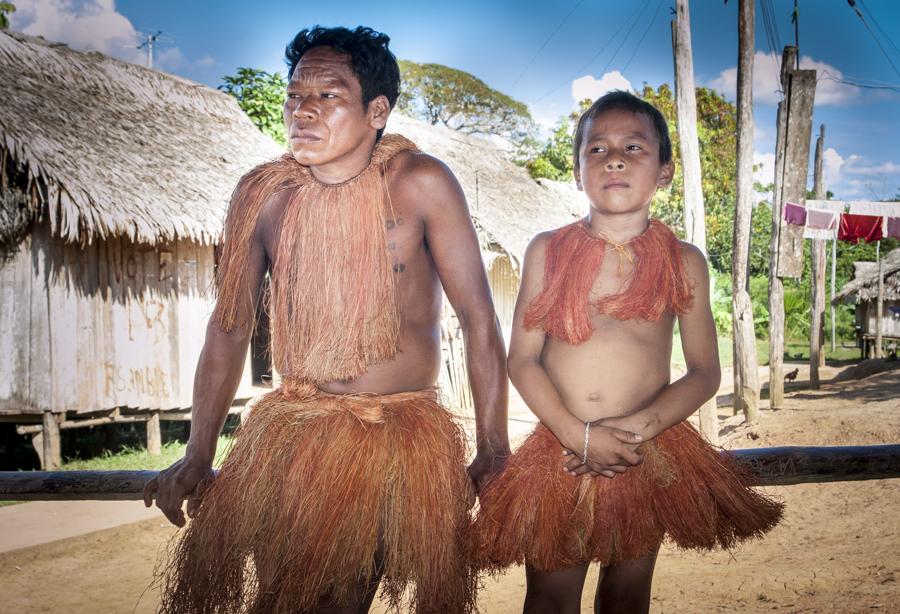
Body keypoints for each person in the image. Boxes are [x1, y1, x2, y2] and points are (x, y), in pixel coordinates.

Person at [142, 26, 509, 614]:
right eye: (294, 96)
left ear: (377, 111)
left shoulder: (420, 183)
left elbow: (479, 318)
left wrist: (494, 446)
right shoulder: (263, 196)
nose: (302, 111)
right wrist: (198, 451)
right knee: (283, 598)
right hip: (295, 433)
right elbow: (229, 327)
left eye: (328, 96)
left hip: (396, 431)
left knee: (339, 598)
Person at [470, 91, 782, 614]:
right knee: (548, 597)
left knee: (627, 596)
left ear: (664, 171)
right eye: (597, 149)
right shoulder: (548, 249)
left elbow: (705, 372)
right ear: (577, 171)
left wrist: (632, 433)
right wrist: (580, 436)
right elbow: (522, 357)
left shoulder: (684, 262)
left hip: (645, 453)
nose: (614, 158)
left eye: (634, 147)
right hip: (562, 452)